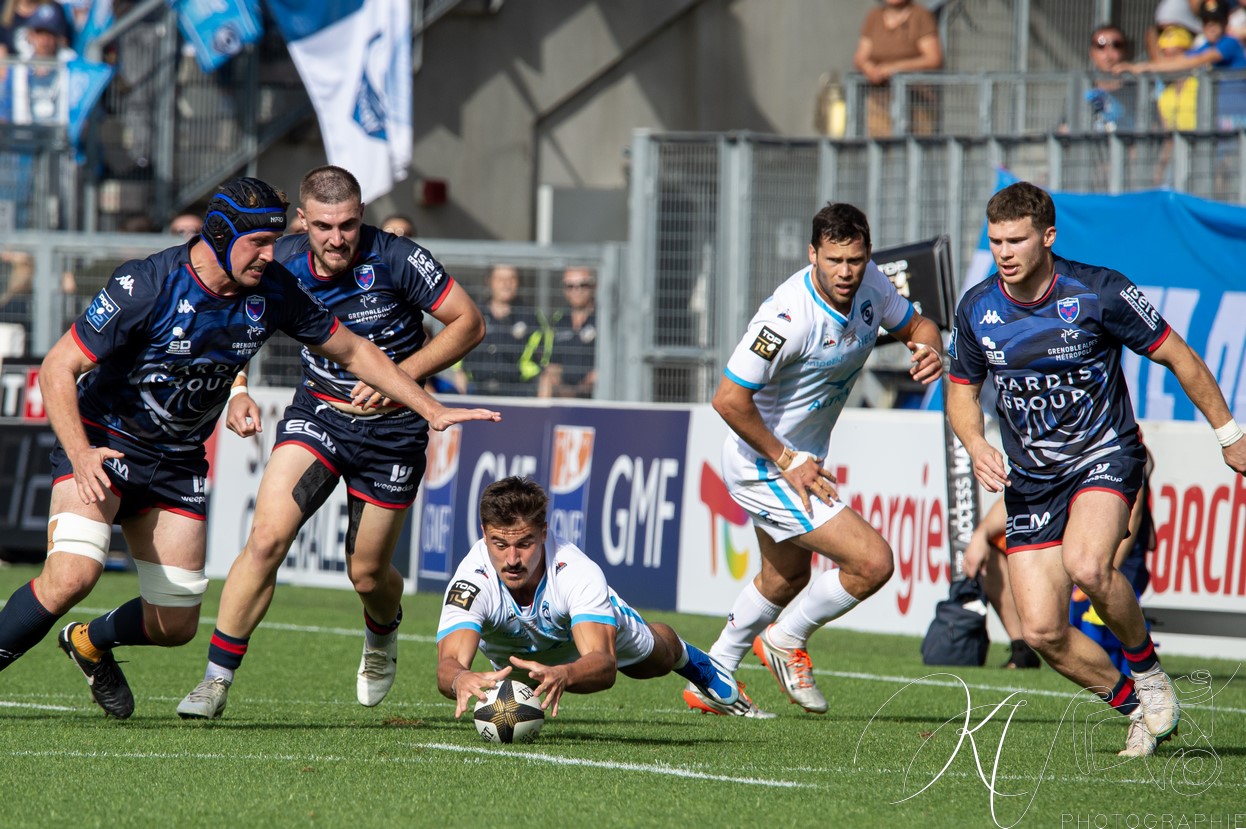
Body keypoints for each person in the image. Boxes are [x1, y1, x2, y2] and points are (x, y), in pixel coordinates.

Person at [0, 176, 499, 720]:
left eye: (275, 240)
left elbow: (355, 351)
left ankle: (89, 642)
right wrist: (79, 452)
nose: (272, 254)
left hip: (178, 459)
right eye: (258, 243)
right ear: (218, 235)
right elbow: (57, 367)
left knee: (176, 626)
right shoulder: (146, 284)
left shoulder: (274, 287)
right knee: (74, 574)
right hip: (106, 442)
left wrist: (430, 408)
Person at [174, 166, 490, 720]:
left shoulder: (396, 258)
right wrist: (238, 389)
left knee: (367, 574)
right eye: (323, 225)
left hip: (394, 432)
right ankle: (214, 680)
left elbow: (469, 323)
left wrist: (403, 378)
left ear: (361, 215)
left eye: (347, 224)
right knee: (268, 538)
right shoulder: (283, 260)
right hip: (318, 415)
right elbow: (234, 318)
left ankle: (381, 633)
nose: (336, 238)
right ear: (303, 220)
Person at [946, 180, 1246, 757]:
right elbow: (962, 391)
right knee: (1041, 632)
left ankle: (1152, 675)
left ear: (1048, 237)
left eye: (1016, 240)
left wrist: (1229, 434)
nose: (1003, 253)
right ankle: (1135, 706)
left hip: (1103, 456)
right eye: (995, 242)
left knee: (1088, 563)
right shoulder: (977, 308)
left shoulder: (1099, 290)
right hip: (1032, 481)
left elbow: (1179, 355)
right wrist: (976, 444)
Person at [690, 202, 943, 717]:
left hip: (796, 461)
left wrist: (930, 348)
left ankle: (710, 675)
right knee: (872, 562)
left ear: (868, 254)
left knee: (786, 579)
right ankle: (786, 639)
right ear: (812, 255)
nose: (845, 272)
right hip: (765, 465)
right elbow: (727, 399)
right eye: (833, 260)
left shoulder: (872, 283)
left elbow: (918, 326)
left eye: (854, 259)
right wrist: (787, 459)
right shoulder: (786, 318)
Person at [435, 476, 742, 719]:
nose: (512, 559)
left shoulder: (577, 573)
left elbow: (605, 665)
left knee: (654, 661)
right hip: (514, 660)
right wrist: (461, 678)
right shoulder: (472, 581)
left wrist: (566, 673)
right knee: (519, 680)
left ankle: (692, 660)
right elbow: (448, 664)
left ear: (543, 533)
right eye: (499, 544)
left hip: (581, 645)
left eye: (524, 543)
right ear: (484, 533)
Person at [852, 0, 943, 137]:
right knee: (880, 146)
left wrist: (895, 68)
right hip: (880, 99)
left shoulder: (921, 15)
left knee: (915, 146)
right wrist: (869, 68)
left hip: (916, 99)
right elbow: (860, 56)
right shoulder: (874, 16)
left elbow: (933, 58)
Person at [461, 264, 545, 396]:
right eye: (500, 279)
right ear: (489, 281)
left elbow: (543, 363)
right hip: (477, 392)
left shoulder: (531, 317)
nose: (506, 284)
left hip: (519, 394)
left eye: (511, 279)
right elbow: (459, 364)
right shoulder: (475, 313)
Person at [537, 266, 597, 399]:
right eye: (570, 286)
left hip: (594, 390)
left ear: (593, 286)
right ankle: (539, 419)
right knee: (546, 378)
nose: (577, 291)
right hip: (564, 391)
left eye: (583, 285)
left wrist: (583, 387)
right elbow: (553, 363)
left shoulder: (603, 319)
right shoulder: (559, 320)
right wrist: (562, 387)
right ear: (564, 290)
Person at [1082, 24, 1137, 133]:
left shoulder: (1139, 92)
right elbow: (1065, 128)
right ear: (1091, 53)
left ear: (1125, 51)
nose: (1108, 54)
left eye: (1116, 45)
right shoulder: (1081, 91)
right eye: (1101, 45)